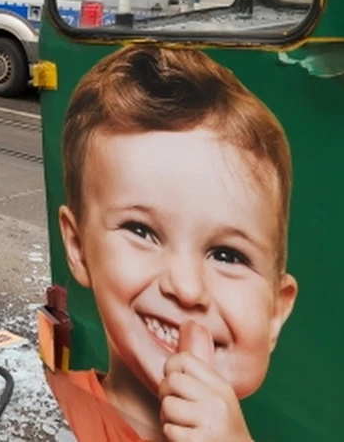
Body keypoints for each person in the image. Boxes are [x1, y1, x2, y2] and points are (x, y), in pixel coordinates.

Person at [45, 44, 298, 442]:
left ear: (276, 310)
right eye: (142, 231)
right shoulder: (47, 413)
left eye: (227, 255)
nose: (186, 287)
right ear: (78, 247)